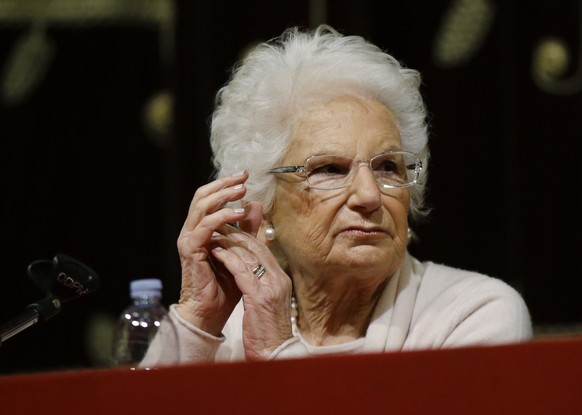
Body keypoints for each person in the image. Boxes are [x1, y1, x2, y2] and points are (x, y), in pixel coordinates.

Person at [143, 25, 532, 365]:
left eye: (387, 167)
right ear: (263, 204)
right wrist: (196, 318)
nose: (369, 196)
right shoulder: (226, 326)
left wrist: (279, 349)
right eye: (329, 169)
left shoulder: (471, 313)